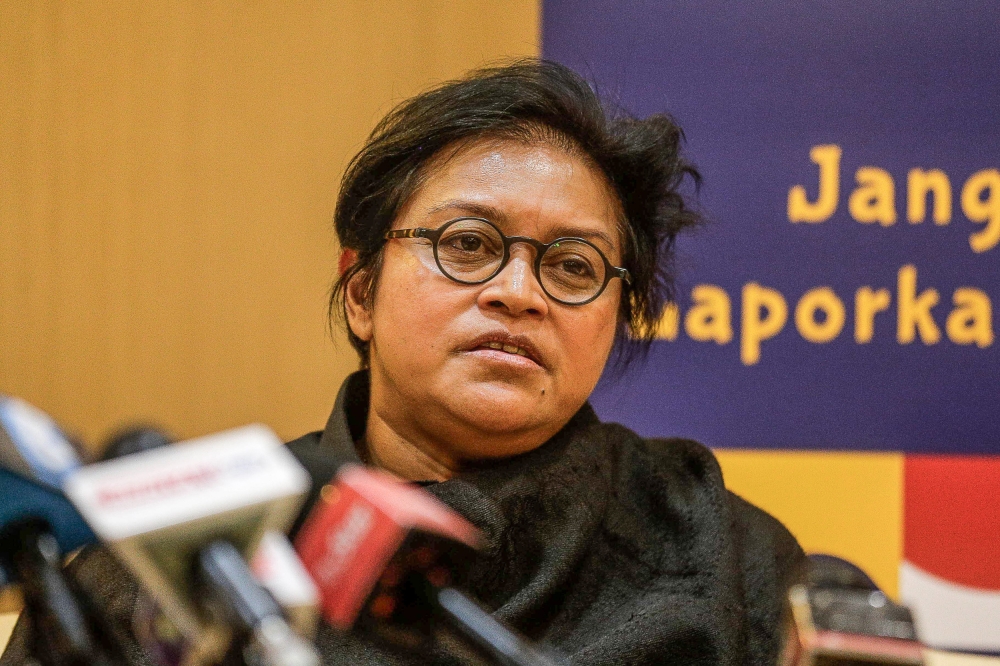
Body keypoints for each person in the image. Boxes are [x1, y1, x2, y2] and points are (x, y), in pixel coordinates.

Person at [0, 59, 803, 666]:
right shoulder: (185, 553)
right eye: (468, 245)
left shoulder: (717, 548)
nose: (520, 293)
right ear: (360, 291)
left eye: (573, 265)